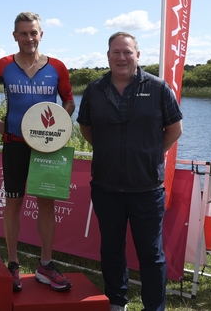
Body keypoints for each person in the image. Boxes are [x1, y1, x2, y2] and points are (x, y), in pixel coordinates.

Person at [77, 32, 183, 311]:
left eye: (127, 52)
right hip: (106, 186)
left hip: (147, 189)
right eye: (116, 52)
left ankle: (154, 307)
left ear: (138, 55)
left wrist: (152, 152)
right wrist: (108, 150)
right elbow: (86, 128)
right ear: (108, 55)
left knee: (151, 254)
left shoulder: (159, 88)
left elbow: (175, 129)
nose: (121, 57)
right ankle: (116, 302)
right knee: (111, 250)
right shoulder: (94, 90)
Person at [0, 12, 75, 292]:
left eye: (33, 32)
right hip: (14, 145)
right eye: (23, 33)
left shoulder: (57, 67)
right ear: (15, 36)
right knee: (13, 204)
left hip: (46, 149)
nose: (29, 38)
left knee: (46, 204)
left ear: (41, 34)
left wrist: (61, 125)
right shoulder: (3, 65)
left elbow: (70, 101)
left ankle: (45, 265)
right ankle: (13, 263)